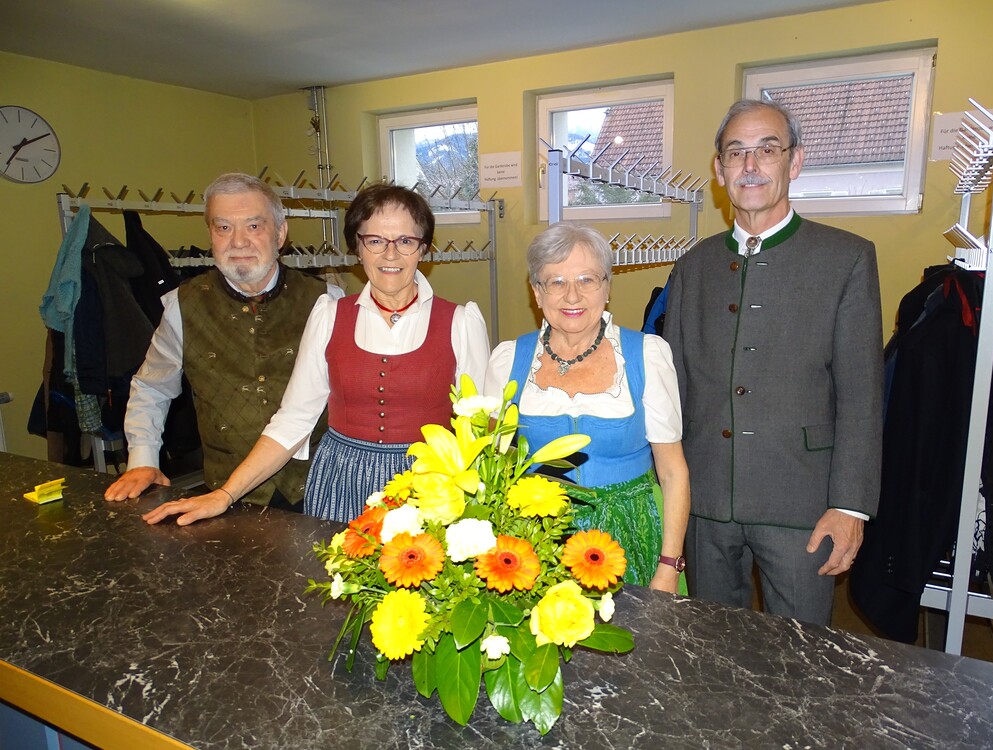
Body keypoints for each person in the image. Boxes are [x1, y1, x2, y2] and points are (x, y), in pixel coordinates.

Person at [142, 183, 491, 526]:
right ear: (358, 248)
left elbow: (480, 430)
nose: (390, 254)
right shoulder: (328, 315)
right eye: (375, 241)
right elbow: (294, 419)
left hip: (430, 489)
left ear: (423, 249)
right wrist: (225, 494)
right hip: (342, 483)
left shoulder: (461, 323)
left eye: (405, 241)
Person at [662, 99, 883, 625]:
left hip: (803, 502)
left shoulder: (846, 258)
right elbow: (676, 389)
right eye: (735, 152)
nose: (750, 165)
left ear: (794, 161)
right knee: (711, 646)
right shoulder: (692, 266)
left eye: (767, 149)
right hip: (706, 503)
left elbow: (862, 395)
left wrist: (850, 506)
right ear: (719, 170)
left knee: (799, 655)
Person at [105, 172, 341, 510]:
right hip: (226, 496)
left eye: (254, 226)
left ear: (280, 234)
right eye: (224, 228)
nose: (238, 242)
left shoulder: (328, 300)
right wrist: (143, 459)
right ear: (211, 235)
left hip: (323, 489)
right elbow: (152, 387)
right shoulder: (182, 306)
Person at [485, 222, 690, 594]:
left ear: (607, 288)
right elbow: (491, 472)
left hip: (632, 536)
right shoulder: (508, 360)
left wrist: (669, 565)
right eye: (556, 282)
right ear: (537, 292)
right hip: (536, 542)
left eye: (587, 280)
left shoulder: (647, 355)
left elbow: (673, 471)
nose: (572, 295)